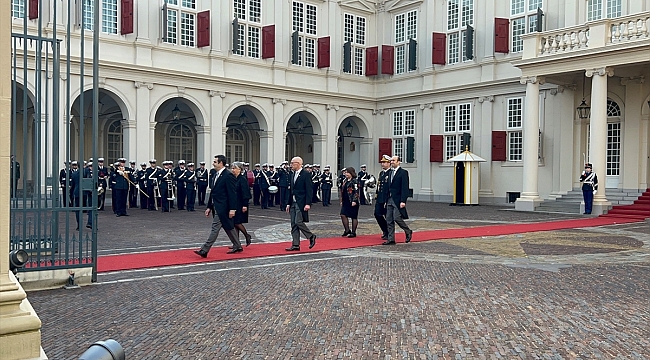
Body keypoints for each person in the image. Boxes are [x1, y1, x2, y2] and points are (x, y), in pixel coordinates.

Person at [194, 154, 242, 257]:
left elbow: (232, 194)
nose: (213, 163)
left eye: (215, 162)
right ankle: (238, 245)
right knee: (228, 226)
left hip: (223, 207)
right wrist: (209, 207)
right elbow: (213, 192)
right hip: (216, 206)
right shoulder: (215, 174)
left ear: (221, 163)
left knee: (215, 228)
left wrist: (232, 209)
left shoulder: (228, 175)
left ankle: (204, 249)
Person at [284, 156, 317, 251]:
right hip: (293, 202)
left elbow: (309, 190)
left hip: (301, 202)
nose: (291, 165)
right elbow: (291, 190)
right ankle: (295, 244)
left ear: (298, 164)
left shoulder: (306, 174)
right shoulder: (292, 174)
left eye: (292, 163)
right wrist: (288, 203)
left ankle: (311, 236)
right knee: (293, 224)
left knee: (298, 221)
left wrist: (308, 203)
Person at [382, 156, 413, 245]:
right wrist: (385, 200)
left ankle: (408, 231)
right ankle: (391, 239)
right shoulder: (390, 172)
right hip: (389, 199)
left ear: (399, 162)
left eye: (393, 161)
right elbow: (387, 187)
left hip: (398, 199)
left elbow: (405, 187)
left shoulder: (403, 173)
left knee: (397, 217)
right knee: (389, 219)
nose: (392, 162)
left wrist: (403, 201)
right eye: (391, 161)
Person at [231, 162, 253, 246]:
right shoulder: (233, 178)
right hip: (234, 203)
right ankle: (236, 243)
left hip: (241, 204)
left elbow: (245, 192)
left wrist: (245, 205)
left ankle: (247, 235)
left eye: (234, 168)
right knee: (234, 223)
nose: (232, 170)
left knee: (237, 222)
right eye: (232, 168)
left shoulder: (242, 179)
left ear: (239, 169)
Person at [339, 167, 360, 238]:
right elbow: (342, 191)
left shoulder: (355, 181)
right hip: (346, 201)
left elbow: (356, 192)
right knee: (343, 214)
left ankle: (353, 232)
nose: (346, 174)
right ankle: (347, 230)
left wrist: (354, 200)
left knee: (353, 216)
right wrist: (341, 200)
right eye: (345, 173)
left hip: (352, 201)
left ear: (351, 173)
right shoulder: (345, 181)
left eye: (347, 172)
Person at [375, 155, 392, 239]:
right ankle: (385, 230)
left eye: (384, 162)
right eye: (382, 162)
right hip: (380, 197)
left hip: (387, 198)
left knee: (387, 216)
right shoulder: (381, 173)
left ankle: (389, 233)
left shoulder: (391, 173)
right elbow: (379, 186)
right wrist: (376, 195)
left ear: (389, 163)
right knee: (377, 214)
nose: (382, 164)